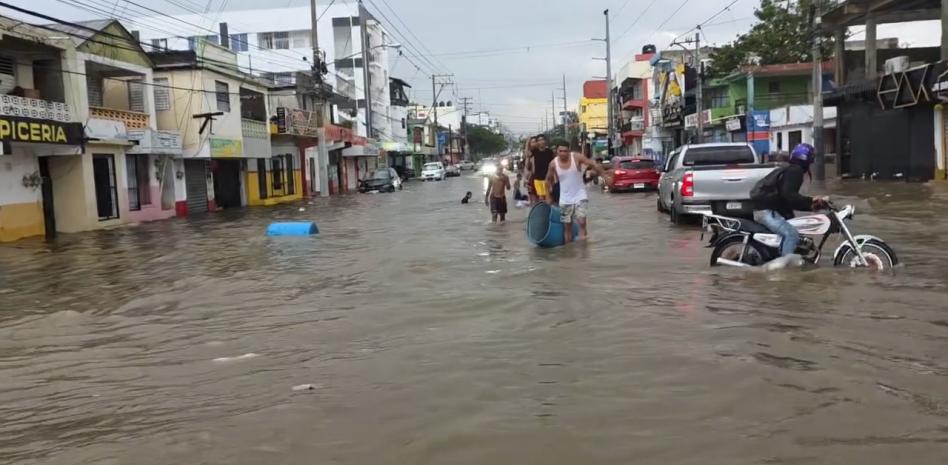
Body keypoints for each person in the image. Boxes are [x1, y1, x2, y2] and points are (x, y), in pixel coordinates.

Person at [750, 143, 829, 257]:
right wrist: (811, 200)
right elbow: (789, 195)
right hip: (766, 212)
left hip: (768, 210)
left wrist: (811, 205)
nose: (811, 163)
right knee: (792, 235)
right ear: (806, 159)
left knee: (795, 226)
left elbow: (789, 199)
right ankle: (786, 268)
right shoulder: (795, 171)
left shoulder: (790, 169)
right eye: (811, 159)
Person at [544, 141, 610, 242]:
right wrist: (547, 196)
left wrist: (604, 176)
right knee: (567, 226)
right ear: (556, 151)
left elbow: (593, 164)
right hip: (565, 198)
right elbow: (547, 180)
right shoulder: (553, 164)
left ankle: (583, 252)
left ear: (569, 150)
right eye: (560, 151)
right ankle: (569, 251)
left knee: (582, 222)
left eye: (565, 151)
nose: (562, 153)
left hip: (580, 195)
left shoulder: (576, 157)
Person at [531, 135, 556, 204]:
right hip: (538, 179)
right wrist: (528, 141)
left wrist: (554, 178)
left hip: (548, 178)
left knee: (550, 198)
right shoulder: (534, 151)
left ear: (545, 141)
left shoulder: (550, 152)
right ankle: (543, 213)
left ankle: (551, 213)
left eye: (542, 140)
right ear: (537, 143)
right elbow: (527, 153)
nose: (541, 142)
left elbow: (553, 165)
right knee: (541, 199)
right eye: (539, 140)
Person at [523, 137, 538, 204]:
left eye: (535, 142)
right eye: (532, 142)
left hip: (541, 178)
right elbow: (527, 167)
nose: (534, 144)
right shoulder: (529, 154)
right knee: (533, 199)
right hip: (531, 178)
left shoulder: (540, 152)